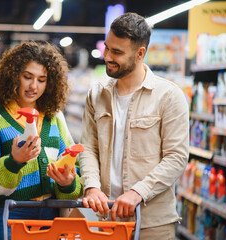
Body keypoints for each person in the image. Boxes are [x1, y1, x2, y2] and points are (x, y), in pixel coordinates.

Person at [79, 12, 189, 239]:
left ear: (140, 54)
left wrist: (138, 192)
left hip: (152, 224)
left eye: (117, 52)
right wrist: (91, 186)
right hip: (108, 219)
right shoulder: (97, 94)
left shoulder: (168, 96)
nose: (108, 56)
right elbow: (89, 148)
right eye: (107, 48)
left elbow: (176, 157)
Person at [0, 41, 82, 240]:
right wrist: (14, 162)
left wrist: (68, 183)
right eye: (27, 77)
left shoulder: (54, 116)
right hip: (9, 214)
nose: (34, 86)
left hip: (51, 215)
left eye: (42, 80)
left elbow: (73, 167)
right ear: (13, 75)